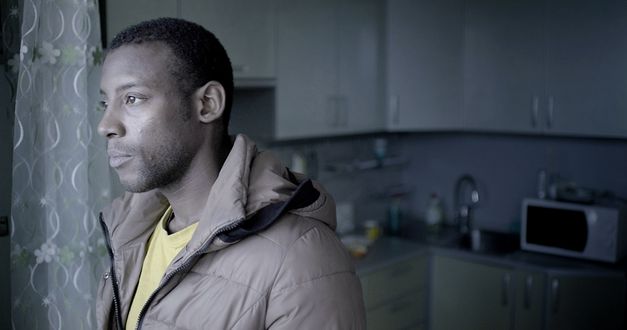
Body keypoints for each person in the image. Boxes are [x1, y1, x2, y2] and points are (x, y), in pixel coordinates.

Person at [96, 17, 366, 330]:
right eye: (104, 103)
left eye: (132, 98)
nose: (106, 125)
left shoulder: (302, 260)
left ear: (207, 104)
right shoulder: (130, 232)